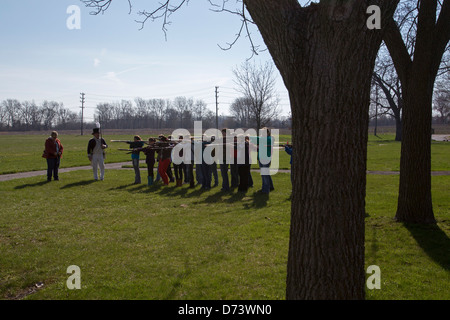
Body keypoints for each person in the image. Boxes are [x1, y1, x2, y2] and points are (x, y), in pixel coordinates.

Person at [255, 127, 274, 194]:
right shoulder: (262, 139)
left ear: (267, 133)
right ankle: (270, 186)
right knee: (265, 174)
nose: (262, 134)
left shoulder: (269, 139)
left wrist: (249, 137)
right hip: (261, 158)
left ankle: (265, 190)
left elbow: (258, 140)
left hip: (265, 159)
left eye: (263, 132)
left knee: (264, 174)